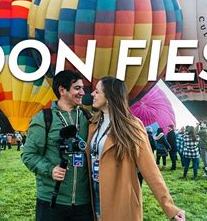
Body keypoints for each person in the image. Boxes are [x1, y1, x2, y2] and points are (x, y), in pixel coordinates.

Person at [88, 76, 184, 220]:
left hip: (120, 198)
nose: (92, 94)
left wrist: (169, 207)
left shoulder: (132, 126)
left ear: (109, 96)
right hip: (95, 195)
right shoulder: (93, 124)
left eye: (97, 91)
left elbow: (150, 168)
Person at [21, 70, 93, 221]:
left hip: (84, 203)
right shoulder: (44, 118)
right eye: (77, 88)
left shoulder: (88, 117)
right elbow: (29, 155)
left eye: (83, 88)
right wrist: (50, 169)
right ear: (62, 90)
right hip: (52, 201)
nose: (82, 92)